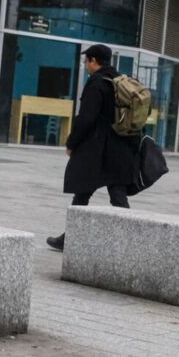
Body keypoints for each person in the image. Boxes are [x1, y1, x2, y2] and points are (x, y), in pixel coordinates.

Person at [47, 44, 139, 251]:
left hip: (97, 149)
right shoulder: (120, 81)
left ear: (94, 61)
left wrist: (72, 143)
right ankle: (130, 240)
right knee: (117, 195)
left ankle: (70, 237)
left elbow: (86, 118)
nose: (85, 65)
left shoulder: (97, 83)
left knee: (82, 190)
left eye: (86, 60)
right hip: (120, 148)